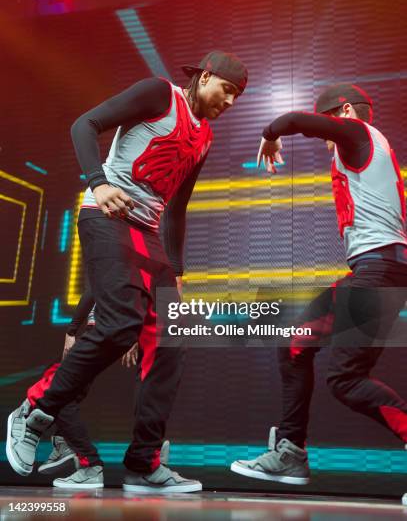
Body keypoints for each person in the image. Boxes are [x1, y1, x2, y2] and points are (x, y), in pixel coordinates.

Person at [7, 51, 248, 493]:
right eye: (227, 89)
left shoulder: (205, 137)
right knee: (120, 327)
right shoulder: (159, 94)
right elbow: (85, 124)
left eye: (238, 96)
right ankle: (33, 410)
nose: (230, 101)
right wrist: (98, 182)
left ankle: (144, 464)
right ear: (206, 77)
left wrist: (176, 271)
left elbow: (177, 210)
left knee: (171, 345)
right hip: (107, 216)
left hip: (150, 235)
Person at [231, 83, 407, 485]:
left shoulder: (358, 132)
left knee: (346, 379)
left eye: (332, 127)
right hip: (371, 270)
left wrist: (271, 134)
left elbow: (294, 121)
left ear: (345, 112)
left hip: (380, 271)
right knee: (294, 343)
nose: (330, 145)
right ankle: (291, 452)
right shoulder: (367, 146)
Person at [11, 289, 137, 489]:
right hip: (112, 331)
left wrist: (71, 330)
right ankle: (66, 443)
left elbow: (95, 287)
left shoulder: (127, 262)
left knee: (60, 385)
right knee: (68, 389)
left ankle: (28, 417)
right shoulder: (143, 265)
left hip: (104, 330)